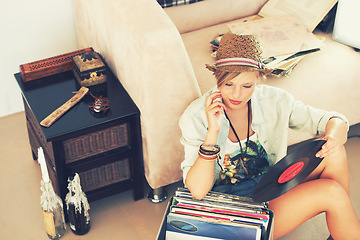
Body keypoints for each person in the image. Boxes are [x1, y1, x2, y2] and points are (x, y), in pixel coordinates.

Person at [179, 33, 360, 239]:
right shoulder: (195, 117)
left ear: (258, 77)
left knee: (334, 152)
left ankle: (340, 228)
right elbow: (197, 191)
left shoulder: (274, 100)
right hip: (232, 213)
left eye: (246, 86)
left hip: (271, 189)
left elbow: (334, 120)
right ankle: (342, 224)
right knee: (332, 193)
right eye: (228, 84)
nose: (236, 95)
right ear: (217, 77)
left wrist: (334, 138)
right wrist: (212, 132)